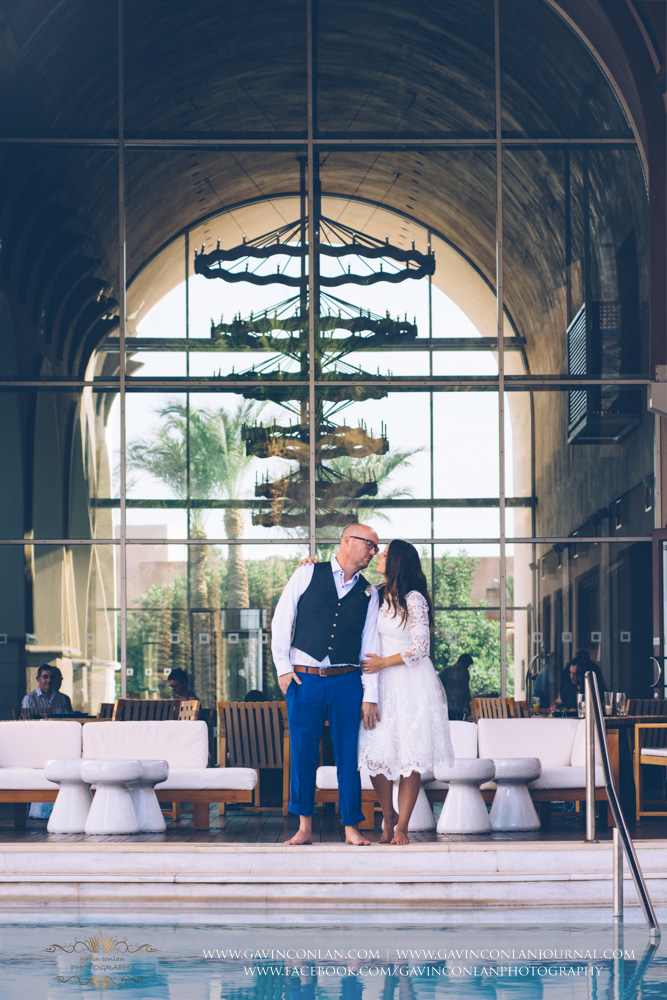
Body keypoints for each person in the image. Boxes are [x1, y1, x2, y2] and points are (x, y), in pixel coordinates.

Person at [271, 523, 381, 846]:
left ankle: (351, 827)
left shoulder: (369, 593)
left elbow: (369, 645)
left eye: (376, 548)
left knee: (349, 754)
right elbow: (281, 618)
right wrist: (282, 668)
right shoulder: (307, 573)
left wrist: (369, 694)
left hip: (346, 680)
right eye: (369, 545)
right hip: (304, 679)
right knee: (303, 752)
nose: (373, 552)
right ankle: (304, 827)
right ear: (348, 541)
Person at [359, 539, 454, 845]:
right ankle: (388, 814)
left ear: (397, 561)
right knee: (378, 750)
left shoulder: (413, 598)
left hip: (409, 682)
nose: (377, 556)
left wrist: (384, 663)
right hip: (380, 685)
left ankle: (403, 826)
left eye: (384, 554)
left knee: (409, 755)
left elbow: (421, 647)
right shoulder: (374, 593)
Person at [439, 653, 473, 721]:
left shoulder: (447, 670)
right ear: (465, 663)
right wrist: (469, 706)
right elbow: (466, 691)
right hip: (454, 707)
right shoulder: (463, 672)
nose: (467, 667)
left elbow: (466, 690)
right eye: (468, 665)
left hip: (450, 706)